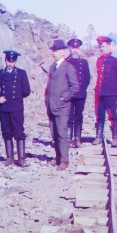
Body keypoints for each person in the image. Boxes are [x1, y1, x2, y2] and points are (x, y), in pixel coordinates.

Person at [0, 49, 31, 166]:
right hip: (3, 107)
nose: (10, 63)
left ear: (15, 61)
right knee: (6, 132)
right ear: (5, 60)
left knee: (19, 132)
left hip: (16, 107)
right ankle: (9, 158)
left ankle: (21, 158)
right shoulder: (0, 73)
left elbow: (26, 90)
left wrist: (17, 97)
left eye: (12, 61)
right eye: (8, 61)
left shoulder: (21, 73)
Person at [45, 40, 80, 170]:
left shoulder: (68, 67)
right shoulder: (52, 67)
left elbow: (75, 87)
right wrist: (47, 99)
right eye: (53, 51)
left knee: (62, 133)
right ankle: (58, 158)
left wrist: (63, 97)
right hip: (51, 105)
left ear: (63, 52)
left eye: (56, 51)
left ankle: (65, 160)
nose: (54, 53)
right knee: (54, 133)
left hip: (62, 106)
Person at [93, 35, 117, 148]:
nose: (101, 48)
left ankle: (115, 137)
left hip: (111, 93)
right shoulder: (99, 60)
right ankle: (98, 136)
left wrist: (113, 88)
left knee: (112, 115)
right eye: (100, 46)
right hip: (100, 93)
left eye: (103, 46)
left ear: (109, 46)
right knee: (99, 115)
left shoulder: (115, 60)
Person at [66, 38, 91, 148]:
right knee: (68, 116)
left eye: (77, 48)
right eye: (73, 48)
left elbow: (87, 78)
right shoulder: (66, 62)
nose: (75, 50)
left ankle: (77, 139)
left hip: (80, 94)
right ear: (69, 49)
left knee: (79, 116)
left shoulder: (84, 62)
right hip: (69, 94)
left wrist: (82, 88)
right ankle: (68, 139)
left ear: (79, 49)